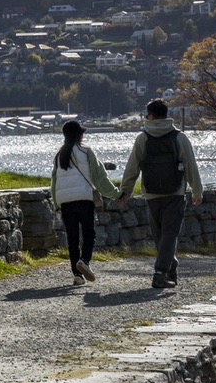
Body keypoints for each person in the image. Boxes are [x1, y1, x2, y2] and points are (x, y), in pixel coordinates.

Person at [117, 98, 203, 290]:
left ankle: (166, 270)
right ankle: (162, 272)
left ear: (151, 116)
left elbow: (132, 168)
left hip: (152, 193)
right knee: (170, 234)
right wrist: (197, 190)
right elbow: (191, 165)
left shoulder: (143, 138)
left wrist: (125, 192)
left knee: (160, 236)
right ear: (166, 115)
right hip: (176, 193)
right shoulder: (179, 137)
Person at [50, 118, 118, 286]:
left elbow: (54, 181)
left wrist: (56, 203)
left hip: (65, 202)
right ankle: (85, 261)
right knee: (89, 234)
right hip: (83, 199)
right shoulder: (86, 151)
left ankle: (77, 275)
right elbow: (99, 176)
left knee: (72, 238)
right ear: (79, 135)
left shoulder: (60, 155)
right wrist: (115, 193)